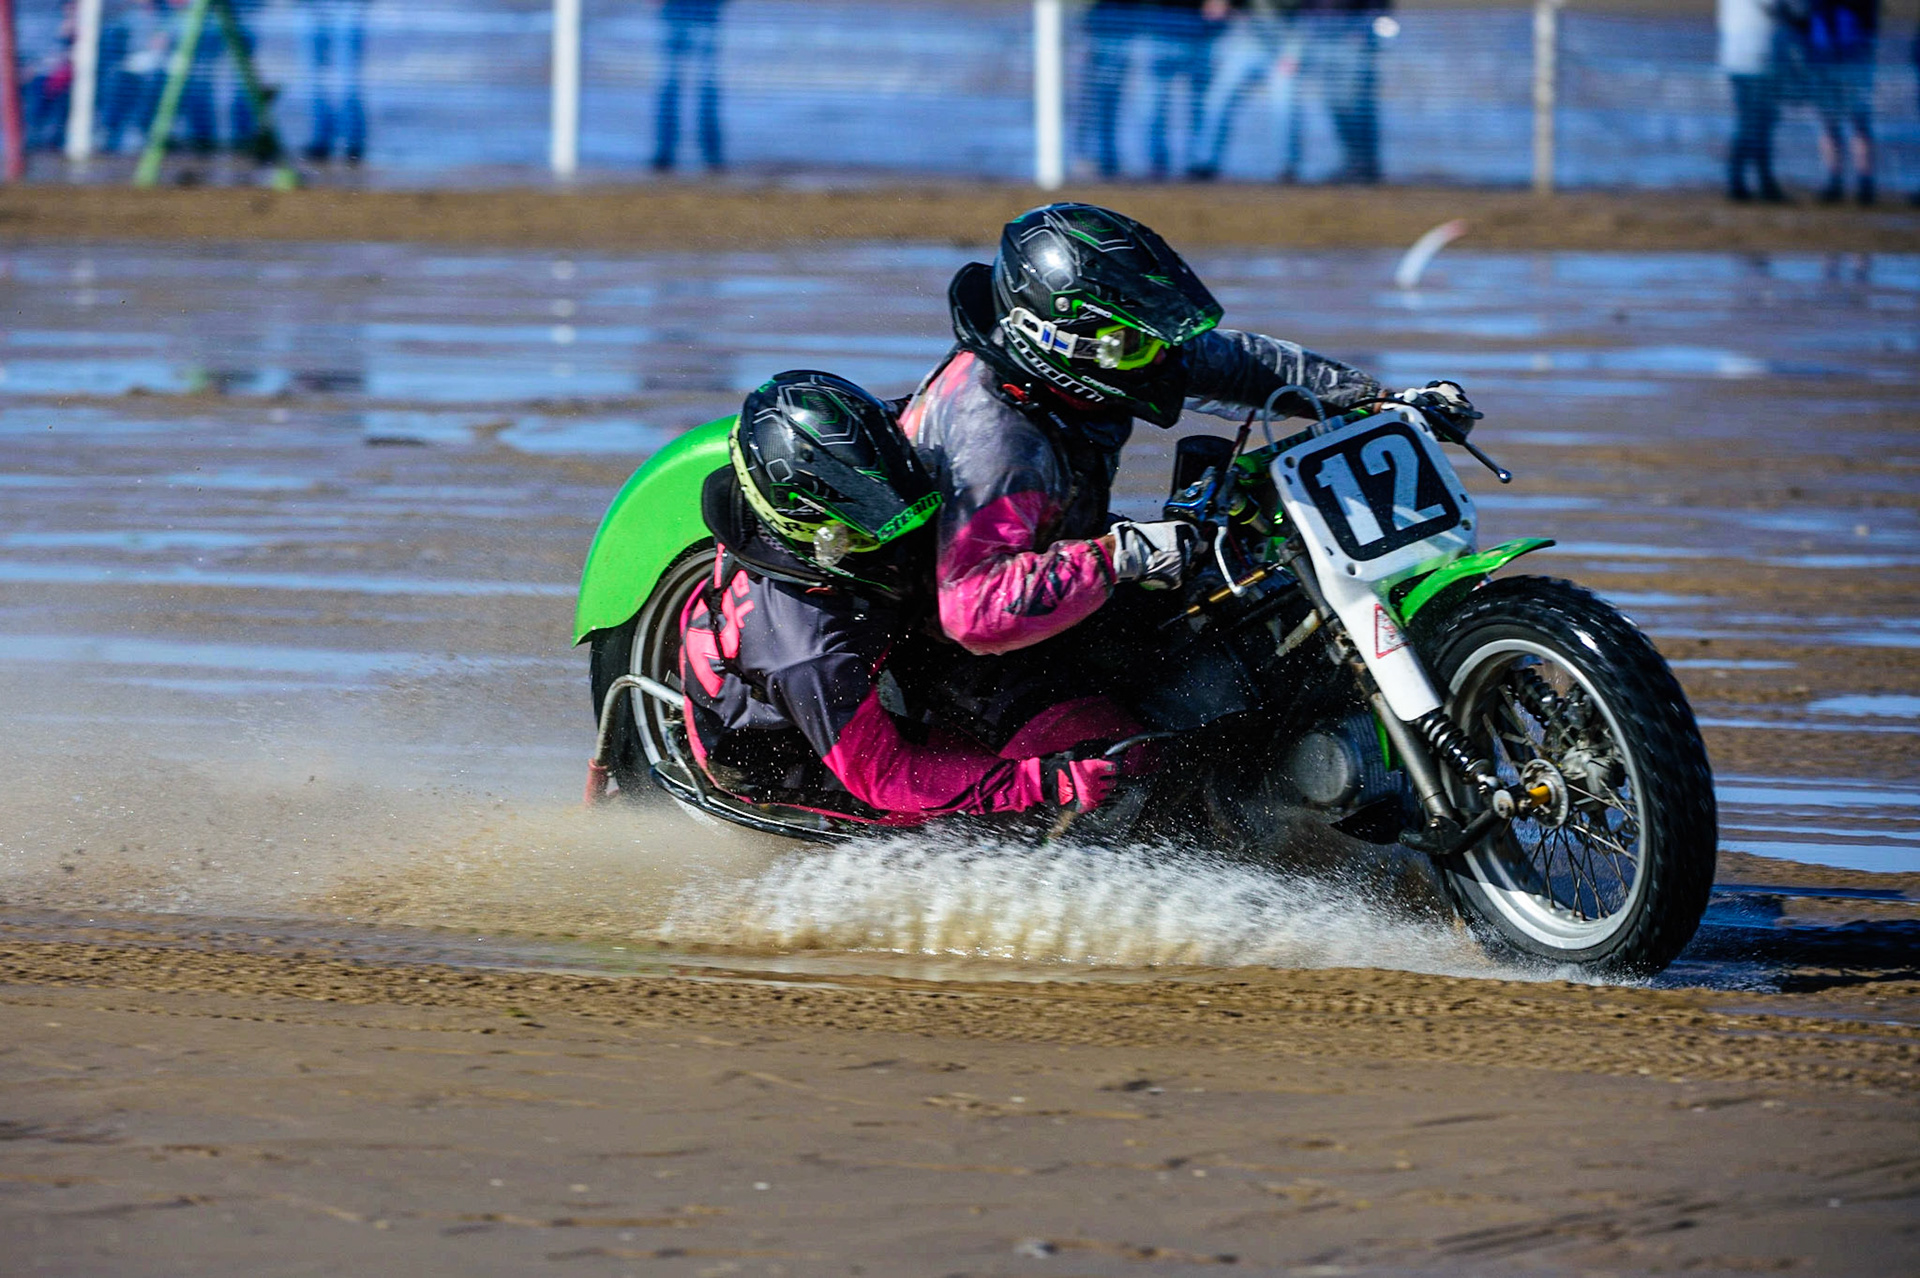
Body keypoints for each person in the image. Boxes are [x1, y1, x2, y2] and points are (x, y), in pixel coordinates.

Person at [897, 203, 1476, 733]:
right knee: (1146, 758)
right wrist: (1120, 555)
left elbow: (1242, 366)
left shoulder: (1106, 348)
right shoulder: (999, 444)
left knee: (1247, 602)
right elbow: (972, 609)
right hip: (952, 652)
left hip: (1049, 553)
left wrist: (1377, 400)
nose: (1158, 360)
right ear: (1053, 339)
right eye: (1135, 347)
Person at [678, 371, 1133, 822]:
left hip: (861, 645)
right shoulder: (808, 654)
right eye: (867, 536)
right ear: (808, 533)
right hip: (784, 752)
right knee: (1005, 811)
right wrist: (1040, 782)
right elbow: (887, 777)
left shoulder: (856, 459)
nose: (898, 546)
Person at [1191, 0, 1307, 183]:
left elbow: (1302, 19)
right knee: (1217, 97)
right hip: (1248, 44)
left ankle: (1285, 167)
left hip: (1282, 47)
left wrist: (1294, 53)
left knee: (1283, 104)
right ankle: (1202, 161)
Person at [1296, 0, 1386, 184]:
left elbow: (1378, 5)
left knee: (1355, 105)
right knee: (1336, 104)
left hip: (1354, 34)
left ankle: (1365, 166)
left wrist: (1364, 28)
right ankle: (1353, 163)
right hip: (1322, 35)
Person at [1803, 0, 1878, 204]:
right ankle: (1842, 180)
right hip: (1832, 58)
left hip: (1843, 57)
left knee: (1852, 123)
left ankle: (1858, 181)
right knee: (1835, 124)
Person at [1719, 0, 1789, 202]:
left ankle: (1750, 181)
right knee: (1755, 123)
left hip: (1740, 57)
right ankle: (1746, 182)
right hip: (1754, 59)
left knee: (1756, 122)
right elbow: (1774, 8)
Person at [652, 0, 726, 173]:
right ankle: (666, 154)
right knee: (677, 86)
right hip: (682, 13)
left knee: (702, 87)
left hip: (703, 13)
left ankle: (710, 155)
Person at [98, 0, 173, 155]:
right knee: (117, 78)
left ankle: (139, 130)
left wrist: (164, 43)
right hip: (135, 66)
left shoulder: (168, 16)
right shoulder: (129, 18)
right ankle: (108, 129)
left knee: (153, 80)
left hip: (162, 67)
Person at [300, 0, 369, 165]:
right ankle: (322, 140)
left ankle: (352, 143)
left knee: (346, 76)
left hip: (346, 5)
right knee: (313, 77)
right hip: (308, 6)